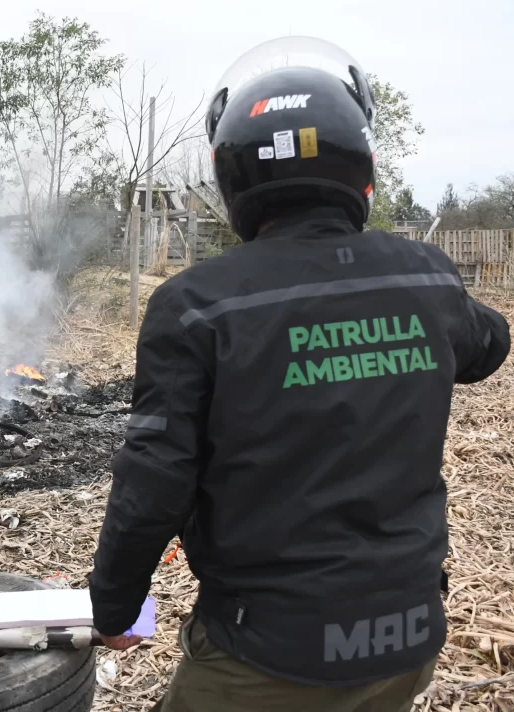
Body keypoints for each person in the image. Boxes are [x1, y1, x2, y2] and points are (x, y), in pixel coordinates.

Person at [88, 36, 510, 712]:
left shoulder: (196, 305)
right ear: (358, 163)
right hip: (407, 638)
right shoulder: (426, 275)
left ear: (233, 176)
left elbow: (154, 481)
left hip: (265, 656)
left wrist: (114, 606)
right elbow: (490, 343)